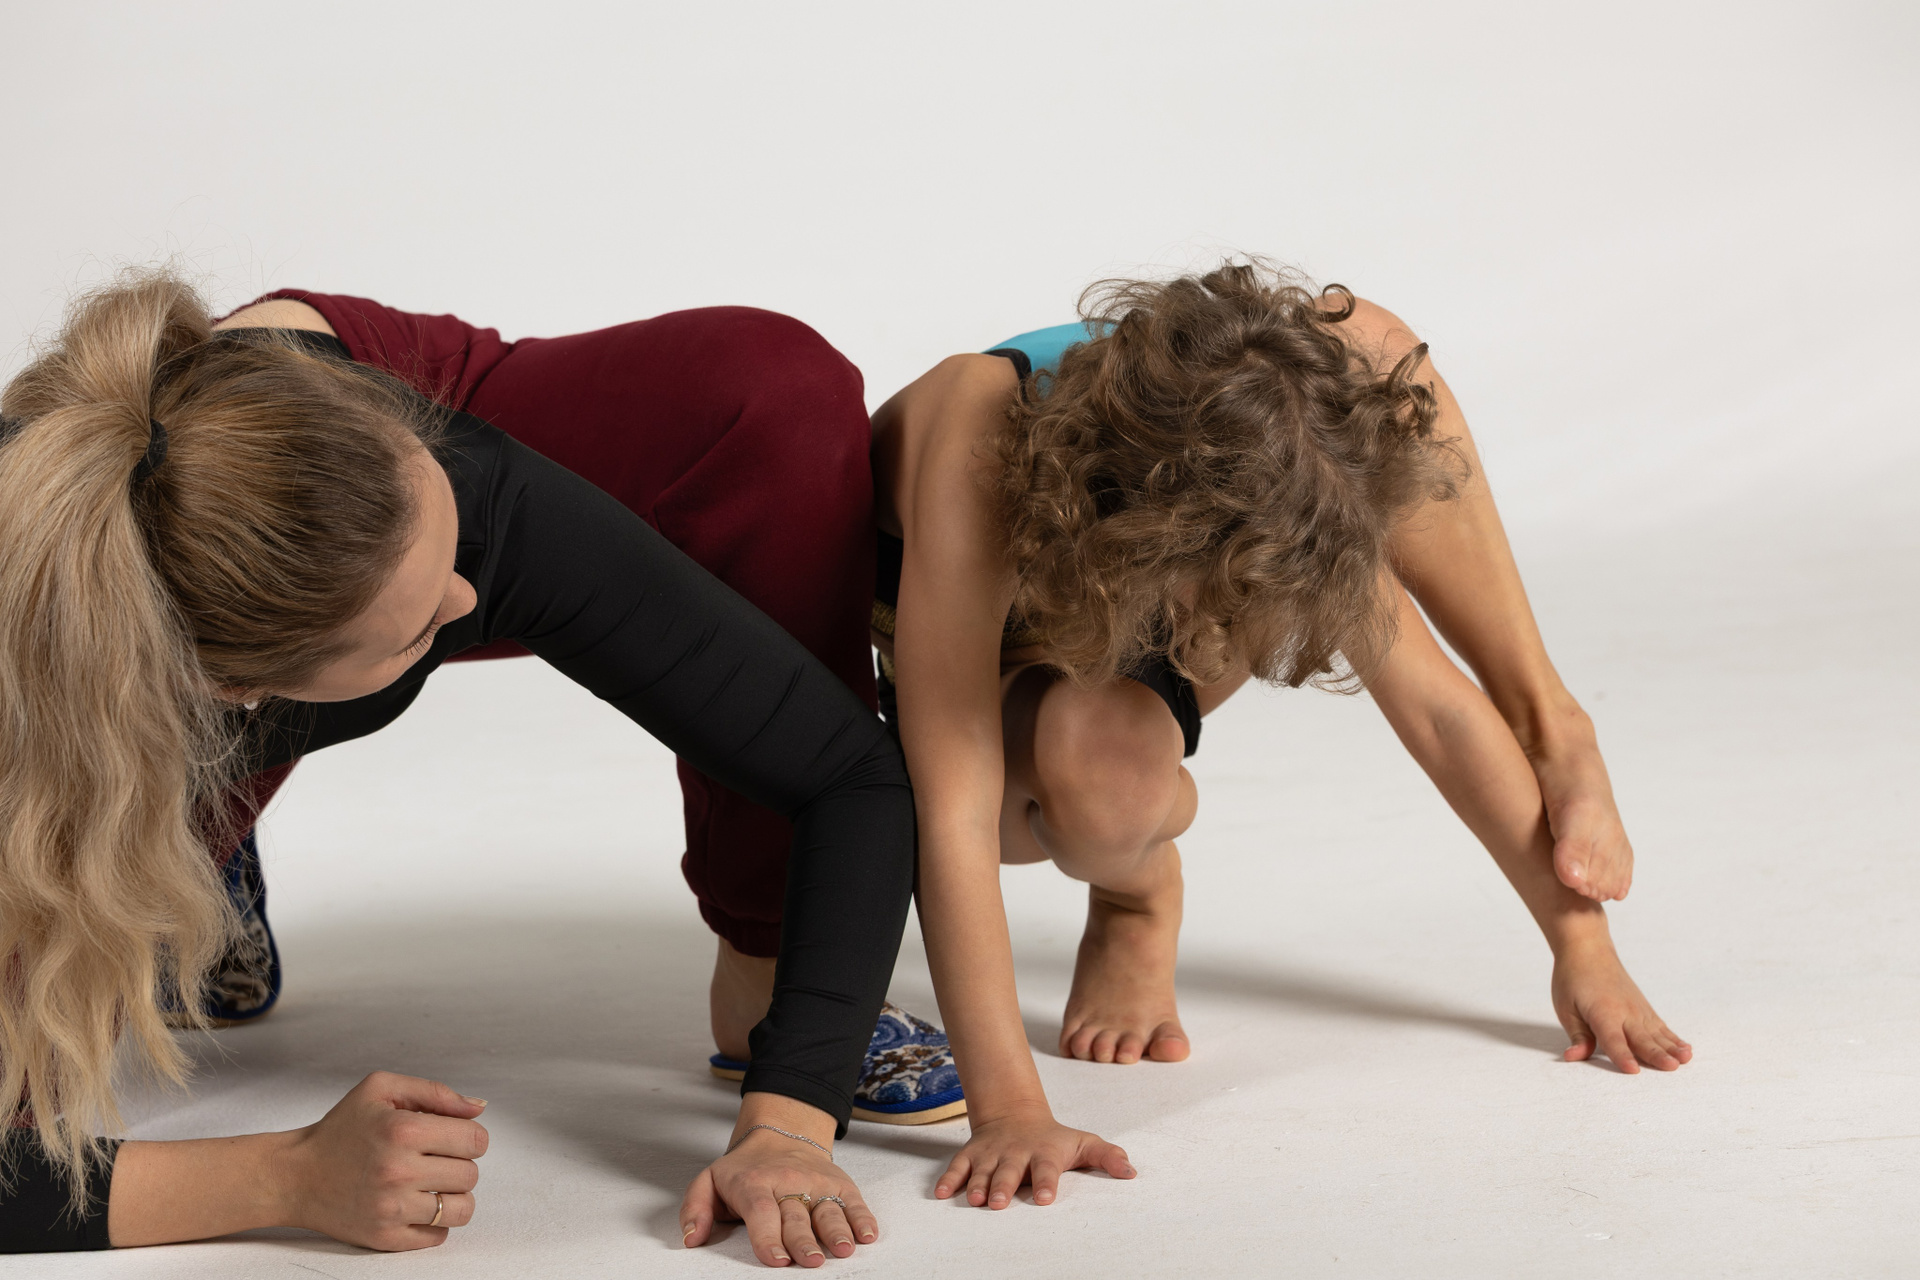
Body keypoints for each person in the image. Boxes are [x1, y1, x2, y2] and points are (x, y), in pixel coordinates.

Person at [0, 270, 926, 1266]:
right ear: (239, 689)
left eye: (449, 548)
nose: (471, 602)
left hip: (287, 491)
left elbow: (849, 772)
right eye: (420, 633)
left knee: (771, 394)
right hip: (114, 741)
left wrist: (790, 1122)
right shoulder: (54, 747)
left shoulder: (444, 481)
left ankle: (762, 971)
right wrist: (290, 1174)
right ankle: (183, 841)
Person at [868, 260, 1693, 1210]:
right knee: (972, 804)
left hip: (1144, 601)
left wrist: (1583, 948)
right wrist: (1010, 1109)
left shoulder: (1282, 475)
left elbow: (1437, 709)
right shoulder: (979, 433)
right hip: (991, 628)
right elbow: (955, 800)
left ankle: (1134, 896)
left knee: (1107, 776)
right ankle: (1136, 876)